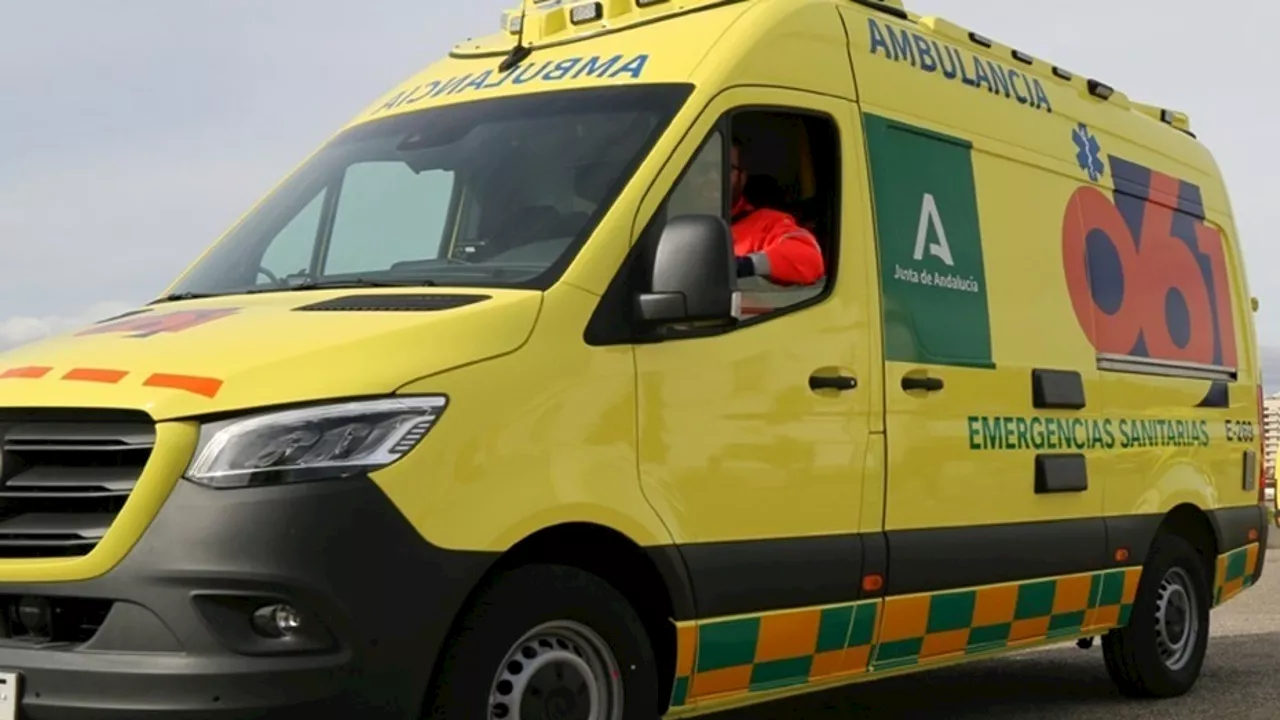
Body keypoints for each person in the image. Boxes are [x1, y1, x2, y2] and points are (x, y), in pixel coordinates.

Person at [729, 139, 825, 286]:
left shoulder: (766, 223)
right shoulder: (681, 217)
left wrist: (746, 265)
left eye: (725, 168)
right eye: (702, 168)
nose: (712, 175)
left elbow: (810, 259)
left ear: (742, 177)